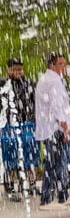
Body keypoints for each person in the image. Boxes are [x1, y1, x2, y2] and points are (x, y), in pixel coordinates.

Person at [35, 53, 70, 210]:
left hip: (50, 128)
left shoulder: (47, 79)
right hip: (55, 128)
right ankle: (47, 197)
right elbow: (57, 107)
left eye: (64, 64)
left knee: (58, 162)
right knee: (54, 163)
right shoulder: (53, 81)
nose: (64, 68)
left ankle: (62, 193)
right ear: (52, 65)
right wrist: (66, 128)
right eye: (60, 64)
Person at [0, 58, 37, 200]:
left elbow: (33, 103)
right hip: (8, 126)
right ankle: (10, 188)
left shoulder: (28, 84)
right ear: (8, 70)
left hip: (26, 124)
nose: (17, 72)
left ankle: (29, 184)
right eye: (14, 69)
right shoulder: (3, 85)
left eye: (20, 69)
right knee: (10, 156)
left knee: (28, 154)